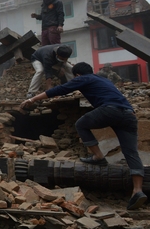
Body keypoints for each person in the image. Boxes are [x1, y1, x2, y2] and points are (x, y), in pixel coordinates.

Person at [20, 62, 146, 210]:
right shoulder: (103, 80)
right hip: (129, 114)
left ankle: (98, 157)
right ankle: (138, 190)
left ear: (77, 75)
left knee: (81, 124)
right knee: (131, 152)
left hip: (110, 110)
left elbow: (60, 90)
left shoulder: (83, 78)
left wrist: (33, 99)